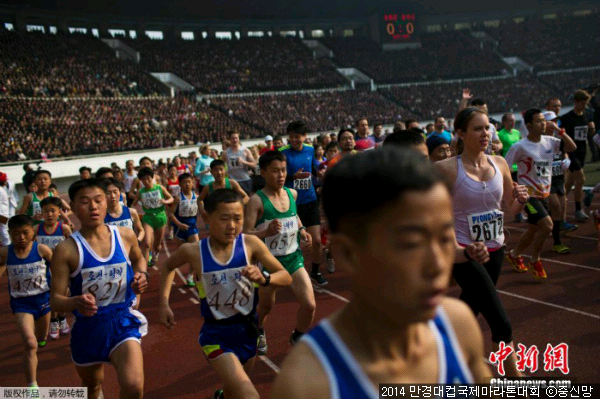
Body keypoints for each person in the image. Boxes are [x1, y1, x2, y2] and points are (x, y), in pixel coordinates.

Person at [270, 147, 491, 399]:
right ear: (348, 254)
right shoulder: (308, 383)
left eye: (444, 238)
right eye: (411, 244)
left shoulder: (458, 325)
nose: (438, 264)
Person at [158, 189, 292, 399]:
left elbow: (285, 276)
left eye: (237, 218)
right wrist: (164, 303)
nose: (231, 225)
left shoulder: (250, 244)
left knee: (233, 392)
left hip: (248, 331)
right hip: (216, 336)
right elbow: (167, 267)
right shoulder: (193, 251)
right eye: (224, 219)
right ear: (206, 218)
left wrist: (264, 278)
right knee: (249, 395)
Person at [435, 107, 529, 377]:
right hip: (466, 254)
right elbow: (437, 214)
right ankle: (516, 384)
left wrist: (520, 200)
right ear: (461, 134)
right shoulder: (445, 169)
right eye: (478, 128)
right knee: (502, 324)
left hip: (496, 249)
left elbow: (511, 209)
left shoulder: (499, 163)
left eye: (487, 127)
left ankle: (437, 356)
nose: (485, 133)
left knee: (470, 309)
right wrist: (458, 250)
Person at [50, 178, 148, 399]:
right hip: (88, 327)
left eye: (98, 200)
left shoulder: (125, 236)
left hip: (122, 320)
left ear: (107, 202)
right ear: (73, 207)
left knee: (133, 387)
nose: (93, 207)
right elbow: (55, 300)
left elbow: (139, 260)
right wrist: (75, 302)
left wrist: (143, 275)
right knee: (93, 386)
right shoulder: (66, 250)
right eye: (84, 202)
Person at [244, 151, 315, 355]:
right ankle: (258, 329)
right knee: (266, 307)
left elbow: (294, 216)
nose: (281, 175)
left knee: (309, 305)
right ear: (263, 172)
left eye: (283, 170)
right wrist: (265, 232)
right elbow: (245, 234)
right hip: (270, 264)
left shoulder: (292, 194)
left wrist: (302, 231)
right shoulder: (256, 201)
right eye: (275, 171)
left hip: (293, 258)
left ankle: (298, 336)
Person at [505, 108, 577, 278]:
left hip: (545, 192)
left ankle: (514, 254)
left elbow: (571, 147)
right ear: (529, 126)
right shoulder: (519, 147)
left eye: (544, 120)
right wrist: (513, 186)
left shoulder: (550, 141)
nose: (543, 123)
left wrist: (560, 132)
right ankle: (535, 259)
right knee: (547, 225)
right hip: (529, 195)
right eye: (539, 121)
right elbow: (505, 168)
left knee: (532, 229)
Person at [0, 214, 53, 387]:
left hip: (43, 300)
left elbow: (58, 267)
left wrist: (61, 287)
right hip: (21, 304)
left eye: (25, 233)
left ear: (33, 232)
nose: (21, 238)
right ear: (9, 234)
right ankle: (32, 386)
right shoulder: (5, 252)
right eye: (15, 234)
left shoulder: (42, 250)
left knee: (41, 338)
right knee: (31, 344)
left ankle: (42, 337)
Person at [280, 121, 327, 285]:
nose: (294, 140)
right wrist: (293, 177)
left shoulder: (310, 149)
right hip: (291, 202)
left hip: (310, 199)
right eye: (291, 137)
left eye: (297, 137)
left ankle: (315, 271)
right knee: (293, 242)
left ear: (304, 137)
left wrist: (318, 172)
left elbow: (312, 167)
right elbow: (276, 175)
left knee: (316, 240)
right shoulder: (282, 153)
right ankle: (293, 272)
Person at [37, 196, 73, 340]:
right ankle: (53, 322)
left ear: (59, 212)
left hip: (62, 267)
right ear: (42, 213)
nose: (50, 214)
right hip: (44, 268)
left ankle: (62, 318)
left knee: (63, 294)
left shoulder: (64, 228)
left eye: (53, 211)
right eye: (46, 211)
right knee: (52, 295)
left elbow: (73, 246)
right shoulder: (37, 229)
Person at [543, 111, 576, 253]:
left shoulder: (557, 139)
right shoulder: (539, 140)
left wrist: (566, 159)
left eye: (555, 121)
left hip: (558, 177)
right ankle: (557, 242)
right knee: (556, 207)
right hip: (545, 179)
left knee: (561, 209)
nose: (553, 124)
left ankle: (554, 233)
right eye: (550, 121)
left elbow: (570, 148)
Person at [560, 90, 595, 221]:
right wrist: (564, 153)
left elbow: (588, 135)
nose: (584, 106)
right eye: (582, 103)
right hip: (571, 152)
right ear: (575, 102)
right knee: (581, 178)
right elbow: (561, 136)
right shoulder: (567, 118)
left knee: (570, 182)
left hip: (582, 151)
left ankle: (558, 200)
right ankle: (578, 210)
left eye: (585, 104)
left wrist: (591, 129)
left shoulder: (587, 116)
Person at [132, 167, 174, 266]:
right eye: (143, 179)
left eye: (148, 179)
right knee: (146, 243)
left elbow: (171, 198)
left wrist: (165, 201)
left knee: (158, 245)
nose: (146, 181)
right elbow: (133, 204)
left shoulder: (160, 188)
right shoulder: (141, 192)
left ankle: (155, 254)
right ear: (140, 180)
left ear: (152, 178)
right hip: (148, 218)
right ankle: (145, 267)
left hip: (160, 217)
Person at [167, 173, 199, 287]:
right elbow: (171, 214)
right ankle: (169, 270)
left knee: (196, 252)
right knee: (183, 255)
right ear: (180, 184)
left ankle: (190, 276)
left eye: (189, 182)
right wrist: (179, 224)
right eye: (184, 182)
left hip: (192, 228)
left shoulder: (197, 197)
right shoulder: (178, 198)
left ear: (192, 183)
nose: (187, 184)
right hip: (180, 229)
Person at [222, 130, 257, 196]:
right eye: (233, 138)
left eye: (236, 138)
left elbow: (254, 165)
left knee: (247, 201)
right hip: (232, 181)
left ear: (238, 139)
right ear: (229, 139)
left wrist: (244, 162)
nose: (235, 140)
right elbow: (221, 165)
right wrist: (225, 172)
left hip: (245, 180)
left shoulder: (245, 150)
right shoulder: (226, 152)